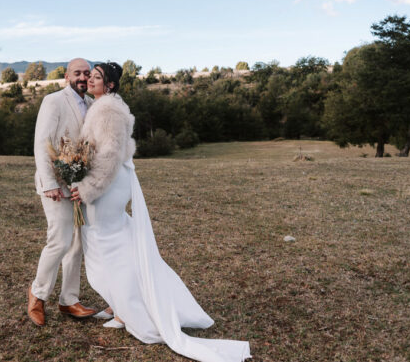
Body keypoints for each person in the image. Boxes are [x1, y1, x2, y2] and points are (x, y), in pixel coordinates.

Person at [71, 62, 251, 362]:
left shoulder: (108, 111)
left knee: (107, 246)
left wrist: (88, 188)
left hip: (108, 184)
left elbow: (111, 154)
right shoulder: (103, 105)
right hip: (109, 181)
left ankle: (131, 312)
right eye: (91, 75)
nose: (90, 79)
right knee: (111, 245)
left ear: (111, 85)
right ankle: (121, 306)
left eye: (97, 77)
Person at [27, 58, 99, 326]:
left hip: (79, 187)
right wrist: (49, 183)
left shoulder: (93, 104)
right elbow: (41, 143)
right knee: (59, 240)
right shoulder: (53, 101)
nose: (82, 77)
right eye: (77, 73)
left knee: (77, 243)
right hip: (56, 185)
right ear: (67, 76)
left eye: (86, 73)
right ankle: (37, 294)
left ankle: (69, 300)